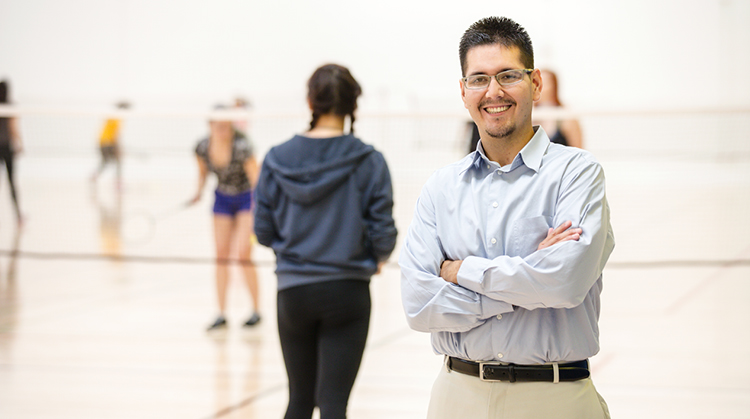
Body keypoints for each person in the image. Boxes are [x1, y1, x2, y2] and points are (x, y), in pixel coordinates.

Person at [399, 17, 614, 419]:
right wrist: (531, 281)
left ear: (535, 84)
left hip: (555, 399)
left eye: (508, 76)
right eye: (478, 79)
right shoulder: (440, 188)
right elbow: (419, 305)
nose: (493, 91)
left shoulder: (578, 173)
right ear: (463, 92)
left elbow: (565, 283)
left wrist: (461, 271)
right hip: (456, 397)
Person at [254, 64, 397, 419]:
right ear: (353, 105)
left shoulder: (275, 158)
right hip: (347, 291)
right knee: (333, 404)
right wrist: (377, 254)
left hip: (293, 293)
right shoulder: (370, 160)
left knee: (299, 402)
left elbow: (262, 230)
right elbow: (384, 230)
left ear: (310, 102)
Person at [191, 106, 261, 331]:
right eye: (218, 125)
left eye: (226, 125)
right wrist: (198, 191)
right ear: (210, 125)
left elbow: (256, 180)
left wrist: (260, 207)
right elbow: (202, 173)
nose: (223, 129)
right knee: (221, 257)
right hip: (222, 199)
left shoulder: (242, 147)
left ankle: (256, 310)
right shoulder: (202, 148)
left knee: (243, 254)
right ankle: (221, 313)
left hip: (245, 199)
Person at [533, 69, 584, 148]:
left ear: (554, 86)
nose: (539, 87)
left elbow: (579, 150)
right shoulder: (530, 116)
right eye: (535, 83)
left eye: (545, 83)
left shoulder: (566, 117)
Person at [0, 80, 23, 224]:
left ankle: (19, 216)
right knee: (11, 182)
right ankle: (19, 216)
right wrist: (20, 144)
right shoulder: (10, 105)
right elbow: (13, 128)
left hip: (4, 147)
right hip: (7, 147)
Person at [91, 101, 129, 186]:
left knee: (105, 162)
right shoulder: (118, 119)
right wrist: (118, 148)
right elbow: (115, 136)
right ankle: (118, 183)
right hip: (108, 143)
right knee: (117, 162)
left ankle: (94, 177)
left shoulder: (110, 116)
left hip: (101, 142)